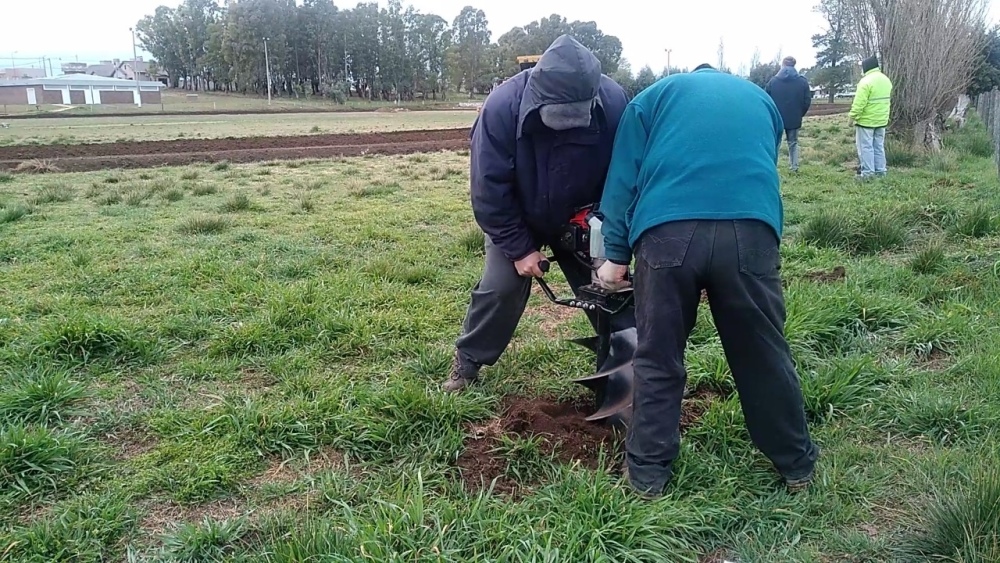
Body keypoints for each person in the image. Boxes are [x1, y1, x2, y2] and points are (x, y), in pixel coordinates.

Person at [594, 64, 819, 498]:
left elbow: (623, 180)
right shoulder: (761, 100)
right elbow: (758, 161)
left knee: (658, 356)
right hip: (750, 233)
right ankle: (797, 466)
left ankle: (646, 477)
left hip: (666, 233)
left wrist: (616, 256)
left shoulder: (652, 98)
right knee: (763, 353)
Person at [443, 34, 635, 392]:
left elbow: (622, 176)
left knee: (613, 290)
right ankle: (467, 363)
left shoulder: (613, 102)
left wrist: (610, 238)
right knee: (500, 289)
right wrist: (518, 249)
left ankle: (638, 366)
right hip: (519, 217)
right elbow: (489, 191)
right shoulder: (502, 107)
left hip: (583, 218)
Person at [848, 55, 893, 179]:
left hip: (866, 121)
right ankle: (881, 172)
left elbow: (859, 103)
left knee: (865, 147)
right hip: (881, 120)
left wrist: (852, 117)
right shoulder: (886, 80)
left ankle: (867, 174)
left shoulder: (866, 81)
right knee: (878, 146)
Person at [765, 56, 812, 173]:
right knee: (793, 143)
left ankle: (773, 167)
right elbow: (807, 101)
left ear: (782, 64)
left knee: (776, 143)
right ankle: (794, 167)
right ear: (794, 65)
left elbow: (767, 99)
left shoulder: (773, 81)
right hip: (794, 118)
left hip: (777, 118)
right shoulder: (802, 81)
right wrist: (800, 113)